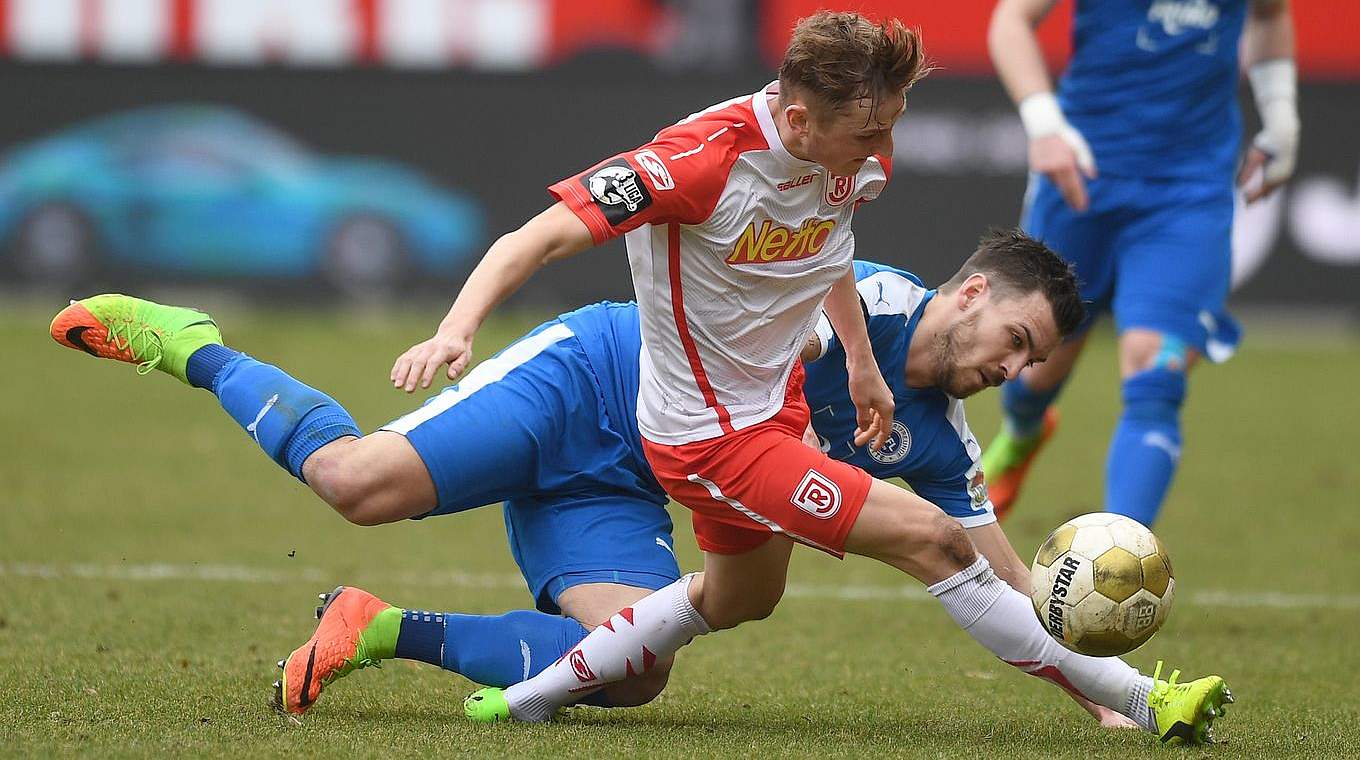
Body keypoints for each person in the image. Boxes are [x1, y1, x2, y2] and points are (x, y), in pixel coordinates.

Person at [53, 239, 1211, 738]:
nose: (1009, 369)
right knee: (357, 482)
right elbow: (797, 310)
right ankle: (188, 341)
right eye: (1010, 338)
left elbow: (995, 563)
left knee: (633, 672)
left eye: (1027, 364)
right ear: (967, 293)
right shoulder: (873, 296)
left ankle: (381, 626)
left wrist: (1098, 693)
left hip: (628, 482)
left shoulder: (937, 440)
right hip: (596, 384)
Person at [982, 0, 1299, 524]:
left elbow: (1270, 14)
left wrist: (1283, 116)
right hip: (1080, 175)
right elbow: (1011, 20)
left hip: (1188, 195)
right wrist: (1044, 127)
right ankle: (1022, 432)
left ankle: (1123, 557)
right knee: (1031, 368)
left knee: (1157, 373)